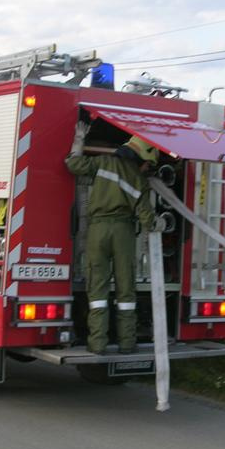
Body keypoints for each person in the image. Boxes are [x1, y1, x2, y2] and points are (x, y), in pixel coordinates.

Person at [65, 124, 159, 355]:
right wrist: (161, 224)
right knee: (126, 290)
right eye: (148, 164)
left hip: (97, 230)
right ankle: (127, 344)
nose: (147, 168)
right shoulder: (140, 181)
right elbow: (148, 220)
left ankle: (97, 344)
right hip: (123, 233)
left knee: (97, 289)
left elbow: (73, 164)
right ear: (141, 157)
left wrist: (79, 140)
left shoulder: (103, 163)